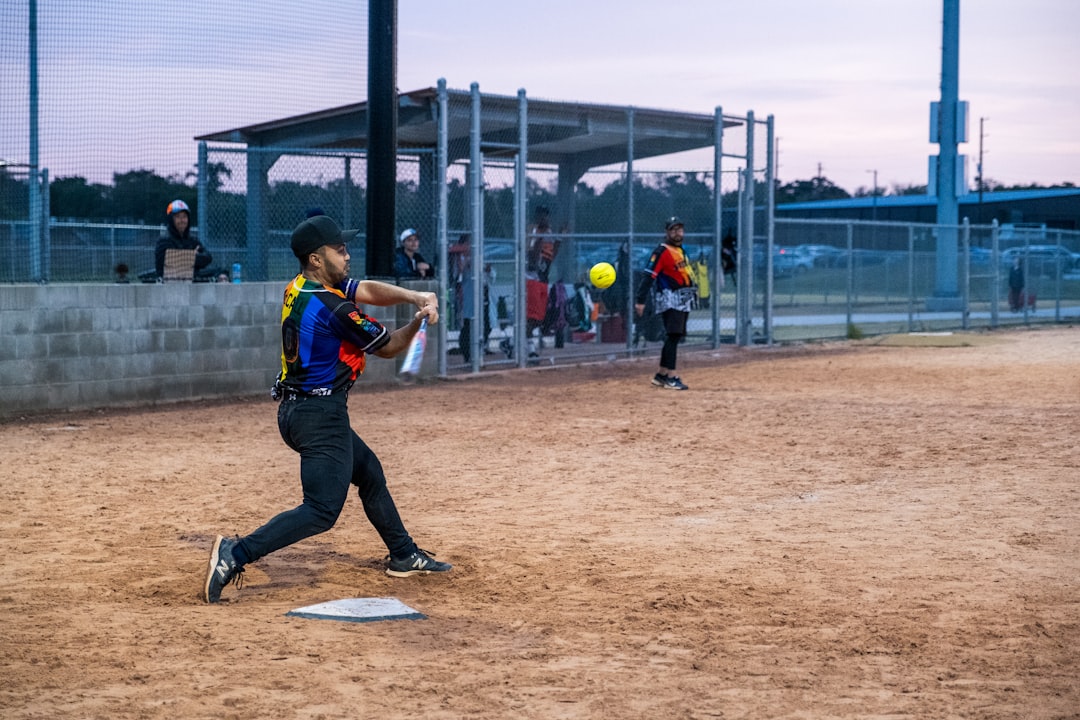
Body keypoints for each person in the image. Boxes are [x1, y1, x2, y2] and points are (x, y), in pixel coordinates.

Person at [204, 214, 450, 604]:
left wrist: (414, 296)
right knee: (320, 510)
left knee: (368, 471)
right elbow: (386, 346)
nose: (347, 254)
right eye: (339, 249)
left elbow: (365, 288)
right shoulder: (333, 307)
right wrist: (419, 320)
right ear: (316, 259)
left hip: (298, 410)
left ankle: (403, 554)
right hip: (319, 415)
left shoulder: (302, 286)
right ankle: (236, 553)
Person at [635, 216, 698, 391]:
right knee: (673, 335)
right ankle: (671, 376)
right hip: (670, 298)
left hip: (682, 299)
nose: (677, 233)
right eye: (673, 230)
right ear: (667, 232)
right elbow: (648, 276)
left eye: (680, 229)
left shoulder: (680, 250)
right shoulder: (661, 251)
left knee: (674, 336)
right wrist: (640, 300)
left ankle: (661, 375)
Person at [452, 233, 494, 364]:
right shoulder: (458, 258)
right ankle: (468, 354)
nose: (470, 246)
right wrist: (465, 265)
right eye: (468, 243)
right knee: (468, 325)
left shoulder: (479, 257)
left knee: (486, 324)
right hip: (467, 296)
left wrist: (488, 270)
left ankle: (480, 350)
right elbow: (455, 277)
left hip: (482, 294)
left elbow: (490, 276)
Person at [525, 206, 560, 359]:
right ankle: (530, 349)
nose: (545, 219)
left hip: (543, 278)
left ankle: (513, 343)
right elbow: (532, 259)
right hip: (531, 277)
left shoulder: (548, 233)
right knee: (532, 317)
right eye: (542, 216)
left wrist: (559, 240)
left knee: (540, 318)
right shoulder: (533, 231)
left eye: (547, 216)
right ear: (537, 217)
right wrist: (539, 239)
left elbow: (551, 256)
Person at [155, 199, 214, 281]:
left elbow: (208, 257)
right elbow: (170, 262)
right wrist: (193, 256)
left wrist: (185, 257)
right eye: (178, 217)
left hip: (192, 278)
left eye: (184, 217)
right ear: (171, 219)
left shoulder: (192, 240)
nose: (182, 220)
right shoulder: (164, 240)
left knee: (221, 273)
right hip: (170, 281)